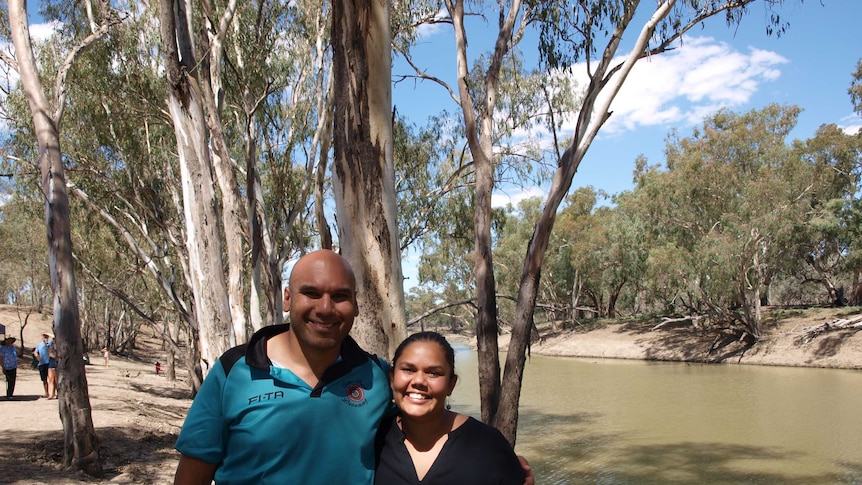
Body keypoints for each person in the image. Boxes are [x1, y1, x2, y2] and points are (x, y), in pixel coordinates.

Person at [173, 249, 534, 485]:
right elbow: (191, 477)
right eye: (311, 293)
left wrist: (494, 459)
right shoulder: (233, 371)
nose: (326, 308)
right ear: (287, 298)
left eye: (340, 296)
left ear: (356, 305)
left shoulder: (376, 376)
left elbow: (423, 419)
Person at [375, 331, 526, 484]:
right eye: (408, 370)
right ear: (392, 378)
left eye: (434, 373)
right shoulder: (373, 440)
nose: (419, 381)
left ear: (451, 385)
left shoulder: (489, 446)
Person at [32, 332, 54, 398]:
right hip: (42, 363)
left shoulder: (50, 343)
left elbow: (54, 338)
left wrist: (48, 335)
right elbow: (35, 352)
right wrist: (37, 357)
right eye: (43, 336)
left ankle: (53, 393)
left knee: (52, 379)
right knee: (44, 379)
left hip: (49, 363)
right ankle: (46, 393)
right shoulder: (39, 345)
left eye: (46, 336)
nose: (44, 338)